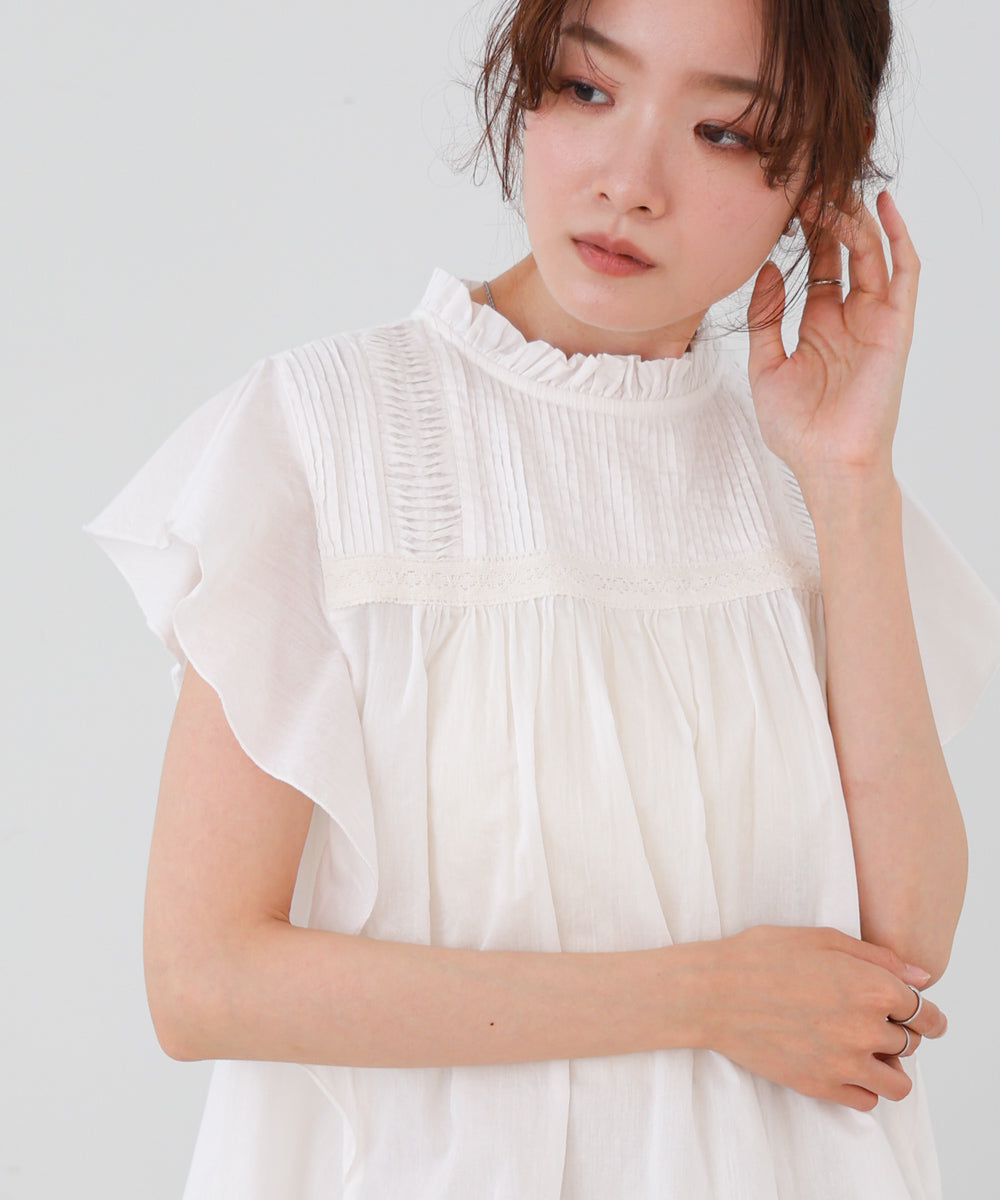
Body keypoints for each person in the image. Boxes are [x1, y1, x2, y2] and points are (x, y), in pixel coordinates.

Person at [86, 0, 1000, 1196]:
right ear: (522, 87)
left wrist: (848, 479)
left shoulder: (813, 487)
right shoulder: (324, 435)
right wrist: (704, 997)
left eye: (725, 131)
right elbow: (204, 983)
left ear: (818, 179)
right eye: (586, 89)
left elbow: (901, 948)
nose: (629, 182)